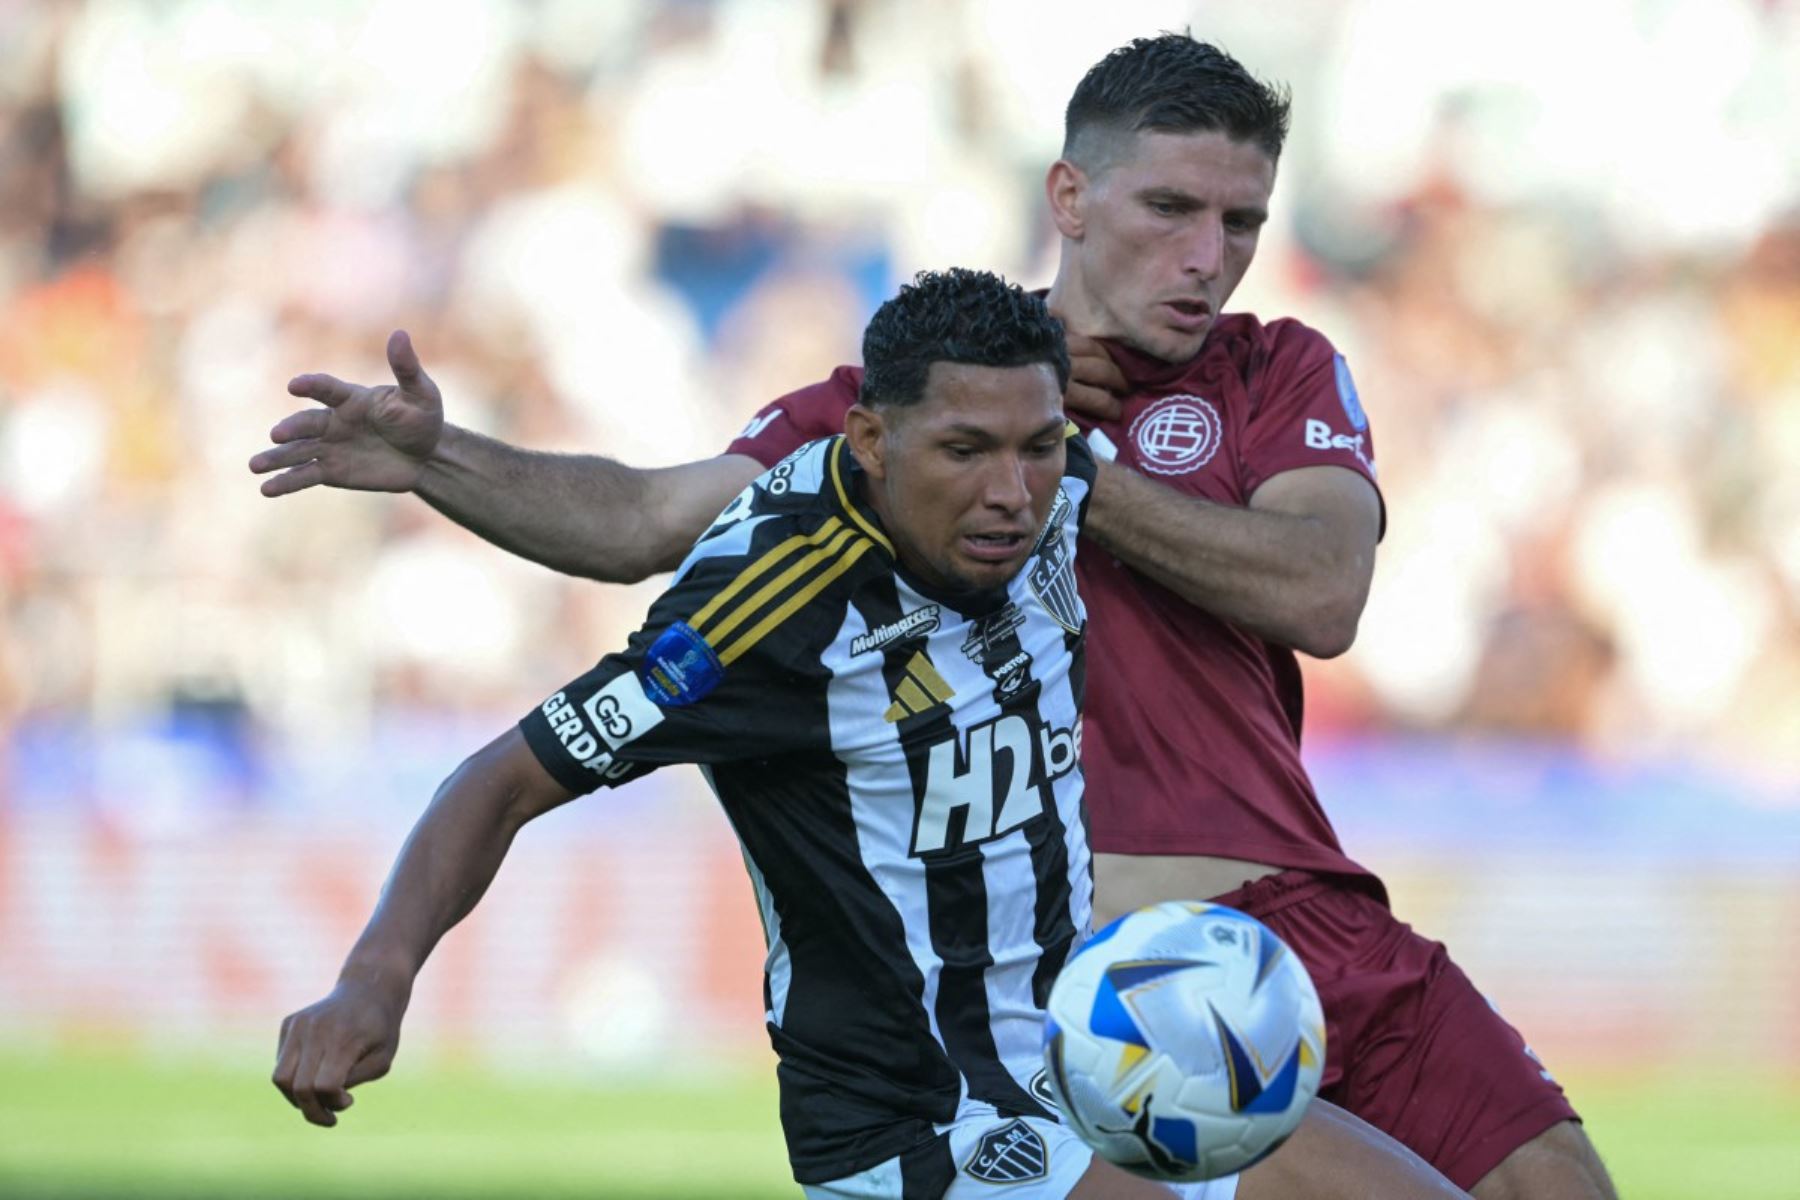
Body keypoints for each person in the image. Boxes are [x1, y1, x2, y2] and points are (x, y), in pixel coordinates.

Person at [254, 36, 1615, 1200]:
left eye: (1243, 223)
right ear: (1069, 197)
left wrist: (1075, 467)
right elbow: (640, 521)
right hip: (1094, 982)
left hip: (1323, 924)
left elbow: (1322, 594)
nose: (1210, 259)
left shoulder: (1275, 370)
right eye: (1172, 209)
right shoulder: (914, 417)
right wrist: (446, 461)